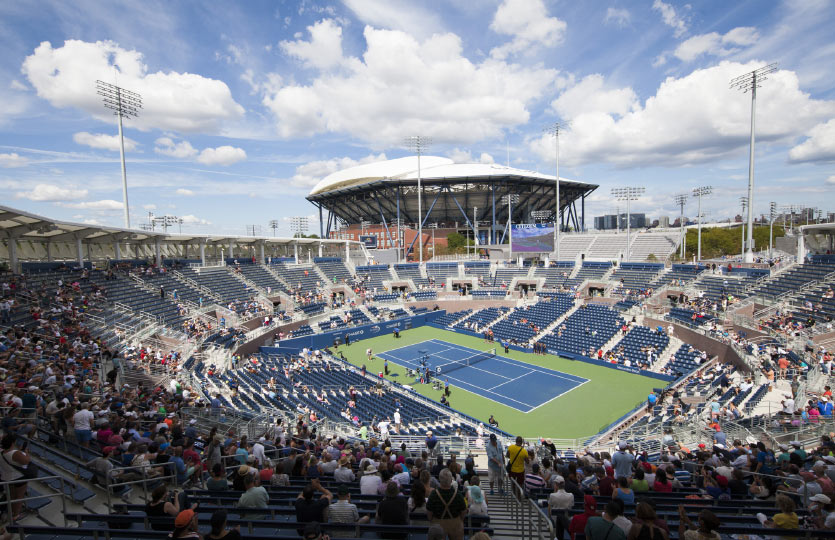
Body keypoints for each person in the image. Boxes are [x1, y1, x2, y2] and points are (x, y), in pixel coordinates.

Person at [426, 469, 468, 540]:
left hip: (438, 524)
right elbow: (464, 511)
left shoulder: (433, 494)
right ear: (451, 480)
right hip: (455, 524)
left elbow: (429, 512)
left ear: (439, 480)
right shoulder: (458, 494)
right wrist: (459, 520)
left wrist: (433, 520)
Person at [0, 434, 31, 521]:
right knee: (19, 496)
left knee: (12, 496)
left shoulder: (1, 452)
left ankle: (13, 512)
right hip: (18, 477)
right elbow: (26, 461)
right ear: (13, 442)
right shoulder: (15, 453)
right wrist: (26, 453)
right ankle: (16, 515)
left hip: (7, 477)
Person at [549, 476, 574, 540]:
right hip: (567, 519)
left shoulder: (552, 495)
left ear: (556, 485)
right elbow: (571, 506)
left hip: (555, 519)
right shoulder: (571, 495)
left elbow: (550, 510)